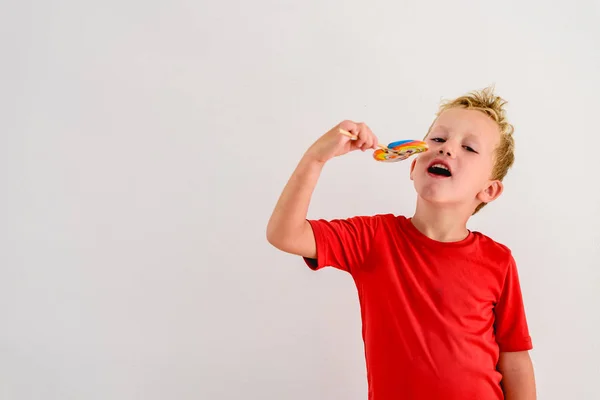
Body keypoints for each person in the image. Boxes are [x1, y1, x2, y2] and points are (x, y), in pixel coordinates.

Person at [266, 87, 536, 399]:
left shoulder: (498, 260)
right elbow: (284, 234)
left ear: (489, 190)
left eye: (469, 148)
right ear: (412, 165)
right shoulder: (373, 238)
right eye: (437, 139)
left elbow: (515, 356)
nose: (447, 149)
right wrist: (316, 158)